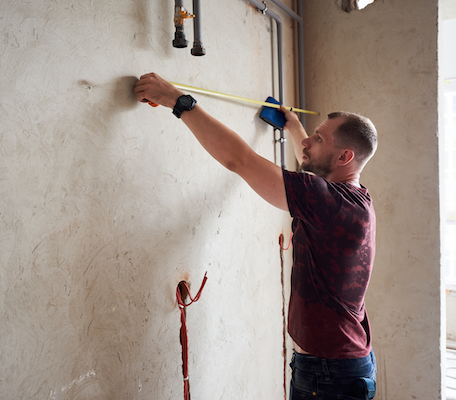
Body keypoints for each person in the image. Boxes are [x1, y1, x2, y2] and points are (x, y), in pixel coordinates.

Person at [134, 73, 378, 400]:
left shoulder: (327, 201)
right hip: (338, 365)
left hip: (328, 373)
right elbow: (313, 170)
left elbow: (240, 160)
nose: (308, 143)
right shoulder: (353, 197)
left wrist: (179, 102)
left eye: (318, 139)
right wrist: (294, 128)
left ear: (344, 157)